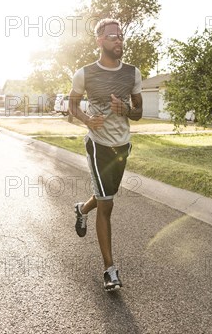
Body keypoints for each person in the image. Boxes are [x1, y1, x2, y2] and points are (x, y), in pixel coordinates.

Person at [69, 18, 143, 291]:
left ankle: (81, 208)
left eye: (121, 36)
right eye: (113, 36)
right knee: (108, 204)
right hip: (98, 145)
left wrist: (125, 110)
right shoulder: (85, 74)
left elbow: (138, 113)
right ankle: (110, 271)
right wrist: (88, 120)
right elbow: (72, 106)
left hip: (122, 145)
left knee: (106, 197)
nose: (119, 40)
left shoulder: (133, 74)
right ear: (99, 40)